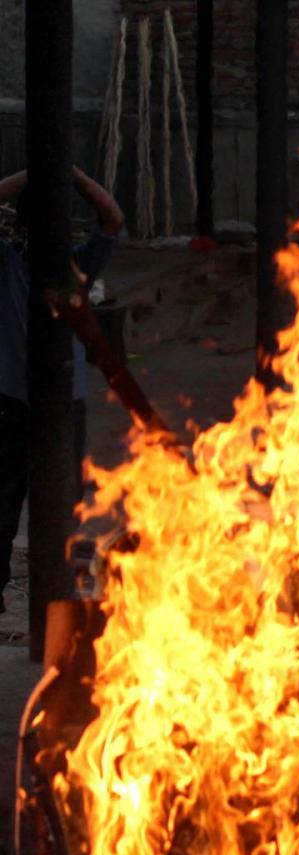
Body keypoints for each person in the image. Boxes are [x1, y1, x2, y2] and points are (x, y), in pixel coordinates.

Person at [0, 167, 124, 612]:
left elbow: (112, 218)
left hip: (64, 404)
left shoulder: (78, 266)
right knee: (5, 498)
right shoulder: (9, 263)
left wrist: (71, 174)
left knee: (65, 501)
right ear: (21, 231)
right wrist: (34, 171)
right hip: (13, 401)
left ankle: (61, 589)